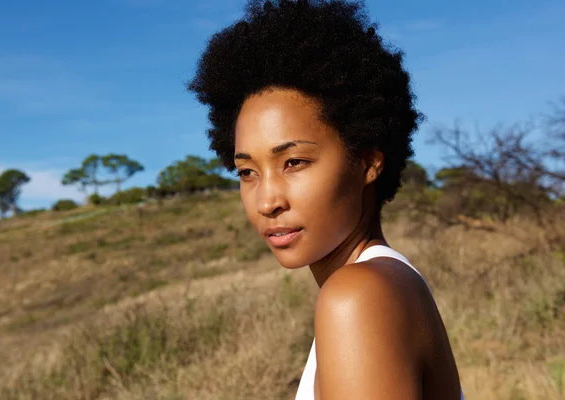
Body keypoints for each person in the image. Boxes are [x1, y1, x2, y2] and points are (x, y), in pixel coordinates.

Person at [188, 1, 463, 398]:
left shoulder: (358, 296)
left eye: (294, 162)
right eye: (248, 172)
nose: (267, 201)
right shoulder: (389, 282)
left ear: (367, 162)